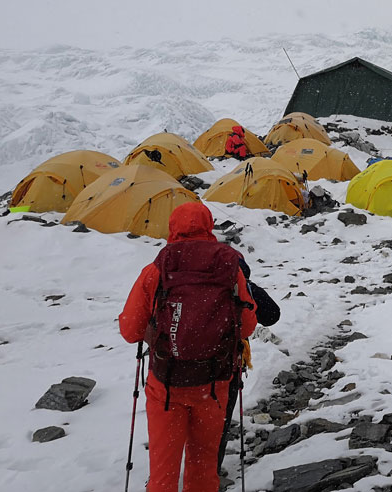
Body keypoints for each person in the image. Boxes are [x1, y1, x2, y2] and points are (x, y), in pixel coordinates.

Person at [119, 203, 258, 492]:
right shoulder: (230, 265)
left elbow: (130, 329)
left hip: (167, 385)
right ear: (209, 226)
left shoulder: (159, 267)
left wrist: (160, 334)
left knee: (163, 472)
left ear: (173, 227)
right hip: (214, 384)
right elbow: (246, 326)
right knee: (204, 466)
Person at [218, 256, 279, 473]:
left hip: (169, 370)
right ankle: (207, 473)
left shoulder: (166, 269)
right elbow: (271, 315)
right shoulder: (237, 278)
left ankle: (166, 477)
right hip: (222, 366)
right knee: (216, 422)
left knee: (174, 428)